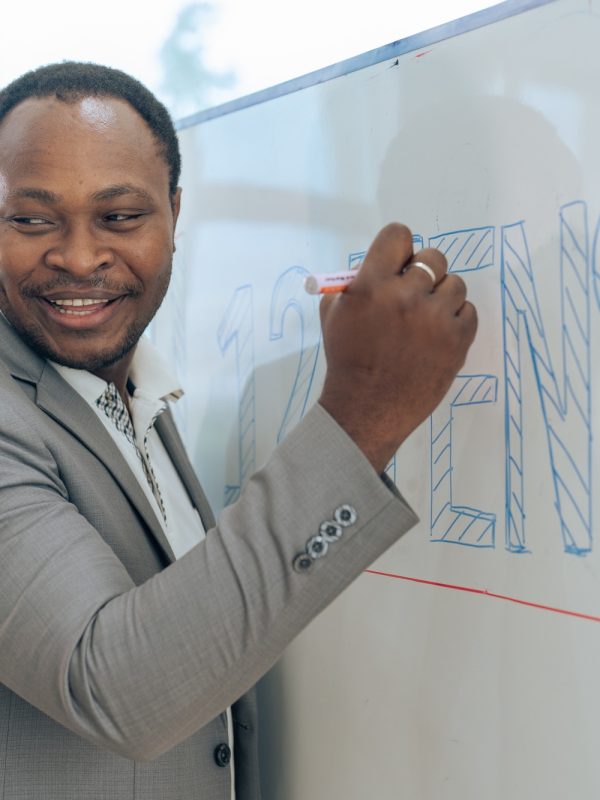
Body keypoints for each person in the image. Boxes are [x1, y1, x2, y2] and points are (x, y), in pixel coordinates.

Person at [0, 62, 477, 800]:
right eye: (31, 220)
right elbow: (114, 689)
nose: (80, 257)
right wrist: (361, 415)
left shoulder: (129, 391)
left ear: (175, 215)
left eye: (120, 217)